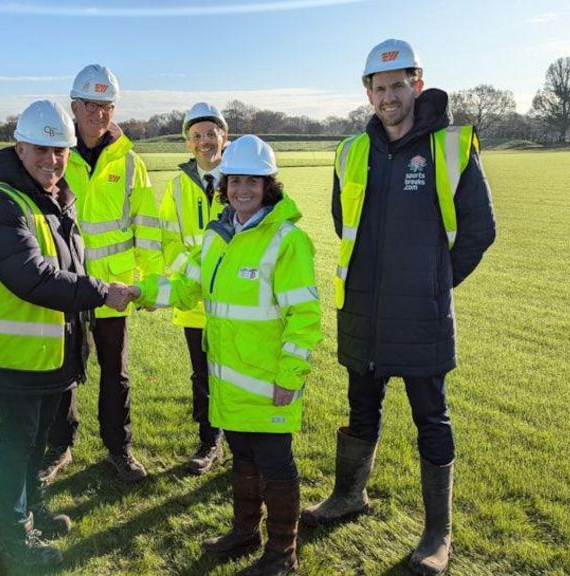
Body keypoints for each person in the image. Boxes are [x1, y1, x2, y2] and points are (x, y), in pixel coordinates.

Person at [301, 39, 496, 576]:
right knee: (360, 408)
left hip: (421, 315)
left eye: (397, 85)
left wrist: (435, 282)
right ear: (368, 92)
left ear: (417, 81)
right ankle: (348, 496)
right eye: (378, 87)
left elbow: (480, 230)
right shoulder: (351, 151)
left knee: (431, 418)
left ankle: (438, 534)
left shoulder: (449, 146)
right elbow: (345, 223)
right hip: (363, 310)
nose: (388, 96)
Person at [131, 135, 321, 576]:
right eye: (235, 181)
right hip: (229, 384)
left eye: (252, 181)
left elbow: (304, 318)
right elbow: (184, 287)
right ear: (224, 184)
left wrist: (290, 376)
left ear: (269, 185)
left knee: (276, 465)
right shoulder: (218, 237)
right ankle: (244, 532)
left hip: (269, 383)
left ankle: (281, 554)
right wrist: (139, 291)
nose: (242, 190)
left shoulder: (288, 241)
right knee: (244, 458)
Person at [0, 99, 132, 569]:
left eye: (60, 150)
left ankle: (34, 512)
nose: (52, 159)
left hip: (53, 356)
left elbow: (66, 267)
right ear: (19, 148)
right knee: (17, 445)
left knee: (38, 443)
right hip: (16, 358)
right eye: (41, 149)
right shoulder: (0, 204)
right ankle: (14, 535)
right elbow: (31, 276)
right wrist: (103, 292)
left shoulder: (56, 199)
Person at [41, 64, 164, 485]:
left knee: (116, 372)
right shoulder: (55, 155)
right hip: (68, 286)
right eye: (90, 105)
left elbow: (147, 227)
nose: (98, 114)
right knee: (63, 370)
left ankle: (119, 449)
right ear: (74, 106)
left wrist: (148, 284)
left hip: (114, 290)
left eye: (106, 106)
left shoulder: (131, 163)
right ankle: (60, 447)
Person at [158, 102, 229, 474]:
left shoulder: (243, 177)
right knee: (201, 374)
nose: (204, 141)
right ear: (188, 143)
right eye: (196, 136)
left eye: (211, 133)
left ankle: (243, 441)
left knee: (236, 370)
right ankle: (209, 441)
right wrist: (195, 276)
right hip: (193, 299)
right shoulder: (176, 186)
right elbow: (168, 241)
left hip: (237, 300)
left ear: (224, 136)